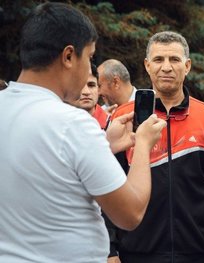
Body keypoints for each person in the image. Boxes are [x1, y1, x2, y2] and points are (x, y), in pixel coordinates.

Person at [0, 2, 166, 262]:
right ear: (68, 56)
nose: (91, 70)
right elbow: (130, 213)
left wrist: (104, 145)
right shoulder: (72, 123)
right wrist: (143, 144)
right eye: (89, 57)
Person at [107, 31, 204, 263]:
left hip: (196, 252)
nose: (166, 67)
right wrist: (110, 249)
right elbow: (106, 185)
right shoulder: (123, 118)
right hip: (136, 251)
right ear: (147, 65)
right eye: (159, 60)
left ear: (187, 65)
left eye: (174, 60)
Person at [75, 63, 108, 129]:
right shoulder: (57, 124)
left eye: (91, 85)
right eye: (80, 86)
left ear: (98, 90)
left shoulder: (111, 124)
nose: (86, 92)